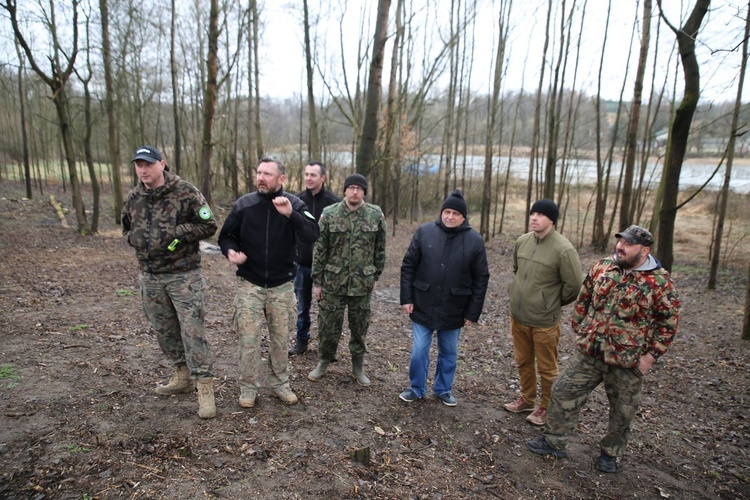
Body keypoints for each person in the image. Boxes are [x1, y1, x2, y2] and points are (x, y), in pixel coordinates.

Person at [526, 225, 680, 473]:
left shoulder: (659, 281)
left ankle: (610, 453)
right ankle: (554, 442)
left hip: (627, 361)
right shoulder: (603, 267)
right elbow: (584, 296)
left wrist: (650, 357)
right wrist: (581, 327)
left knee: (623, 411)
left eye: (628, 244)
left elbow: (668, 324)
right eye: (620, 242)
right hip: (590, 352)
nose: (620, 247)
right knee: (564, 391)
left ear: (644, 250)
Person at [122, 145, 218, 419]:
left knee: (192, 332)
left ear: (162, 164)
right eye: (139, 165)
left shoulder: (185, 192)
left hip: (183, 275)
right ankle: (182, 375)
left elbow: (209, 225)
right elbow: (126, 228)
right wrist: (135, 239)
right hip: (150, 276)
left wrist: (181, 232)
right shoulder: (133, 198)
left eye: (148, 164)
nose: (143, 170)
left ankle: (205, 389)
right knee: (164, 330)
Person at [218, 156, 319, 408]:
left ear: (281, 179)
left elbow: (312, 232)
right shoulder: (244, 205)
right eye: (259, 173)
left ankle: (280, 384)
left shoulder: (295, 203)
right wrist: (231, 252)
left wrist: (290, 215)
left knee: (280, 339)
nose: (261, 178)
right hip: (249, 284)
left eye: (267, 174)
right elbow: (226, 237)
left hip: (282, 286)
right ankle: (248, 388)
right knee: (249, 340)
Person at [398, 190, 490, 407]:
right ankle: (417, 388)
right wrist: (406, 298)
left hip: (454, 307)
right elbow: (408, 266)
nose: (450, 216)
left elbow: (481, 278)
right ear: (441, 213)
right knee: (419, 351)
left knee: (449, 352)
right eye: (447, 212)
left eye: (455, 213)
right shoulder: (424, 232)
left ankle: (443, 389)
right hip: (423, 303)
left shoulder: (474, 241)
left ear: (463, 217)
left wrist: (472, 313)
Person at [504, 199, 582, 426]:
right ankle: (527, 399)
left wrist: (550, 303)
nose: (534, 218)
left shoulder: (563, 249)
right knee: (523, 361)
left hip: (544, 321)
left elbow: (574, 287)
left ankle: (546, 407)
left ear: (552, 219)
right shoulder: (522, 242)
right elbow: (517, 271)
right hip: (518, 316)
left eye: (540, 214)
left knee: (547, 369)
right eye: (532, 213)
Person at [307, 173, 386, 386]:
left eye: (359, 189)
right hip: (333, 282)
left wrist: (375, 275)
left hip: (362, 284)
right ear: (344, 190)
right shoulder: (330, 214)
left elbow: (380, 248)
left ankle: (357, 366)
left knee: (360, 326)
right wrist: (318, 281)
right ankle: (324, 361)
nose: (354, 191)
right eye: (351, 187)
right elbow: (321, 249)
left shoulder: (374, 215)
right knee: (328, 325)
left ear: (364, 192)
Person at [288, 162, 340, 356]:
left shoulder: (334, 203)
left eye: (313, 175)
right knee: (302, 306)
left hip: (326, 267)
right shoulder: (296, 201)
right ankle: (301, 341)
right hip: (301, 264)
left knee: (327, 309)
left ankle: (327, 348)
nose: (309, 178)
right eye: (307, 174)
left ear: (323, 178)